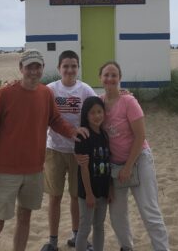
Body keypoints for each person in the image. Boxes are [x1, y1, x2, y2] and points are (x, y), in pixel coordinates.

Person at [0, 49, 88, 251]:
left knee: (25, 218)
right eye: (29, 67)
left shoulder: (46, 93)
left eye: (38, 67)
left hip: (35, 170)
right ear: (21, 69)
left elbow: (54, 120)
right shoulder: (4, 93)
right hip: (7, 171)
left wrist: (73, 131)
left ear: (43, 68)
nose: (34, 71)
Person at [99, 61, 170, 251]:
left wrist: (128, 166)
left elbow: (140, 136)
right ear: (100, 78)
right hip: (115, 166)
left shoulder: (129, 101)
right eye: (106, 75)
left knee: (149, 211)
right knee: (117, 214)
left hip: (138, 160)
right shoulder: (99, 102)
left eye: (114, 75)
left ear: (120, 78)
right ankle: (126, 246)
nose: (110, 78)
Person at [41, 50, 96, 251]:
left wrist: (121, 93)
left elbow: (100, 108)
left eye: (74, 66)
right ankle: (53, 241)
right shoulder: (50, 90)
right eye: (66, 66)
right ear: (59, 68)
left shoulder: (85, 90)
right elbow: (32, 99)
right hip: (54, 149)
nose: (70, 70)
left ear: (78, 67)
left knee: (75, 197)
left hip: (78, 152)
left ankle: (76, 236)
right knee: (54, 197)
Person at [74, 96, 112, 251]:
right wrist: (89, 194)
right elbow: (84, 168)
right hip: (87, 192)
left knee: (99, 226)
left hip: (103, 190)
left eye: (99, 111)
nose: (97, 116)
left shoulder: (104, 135)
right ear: (86, 115)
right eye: (92, 113)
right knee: (84, 228)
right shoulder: (83, 136)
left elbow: (108, 163)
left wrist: (110, 188)